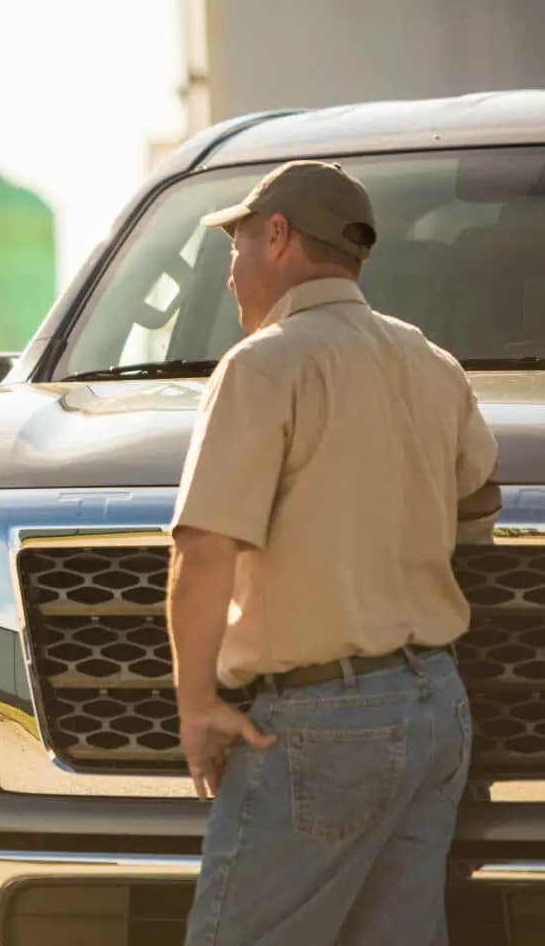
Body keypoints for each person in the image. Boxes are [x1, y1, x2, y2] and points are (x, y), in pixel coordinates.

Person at [166, 161, 500, 943]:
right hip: (436, 710)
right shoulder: (431, 362)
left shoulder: (263, 364)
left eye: (236, 247)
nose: (231, 274)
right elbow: (479, 506)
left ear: (278, 235)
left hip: (320, 727)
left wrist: (196, 708)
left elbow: (206, 548)